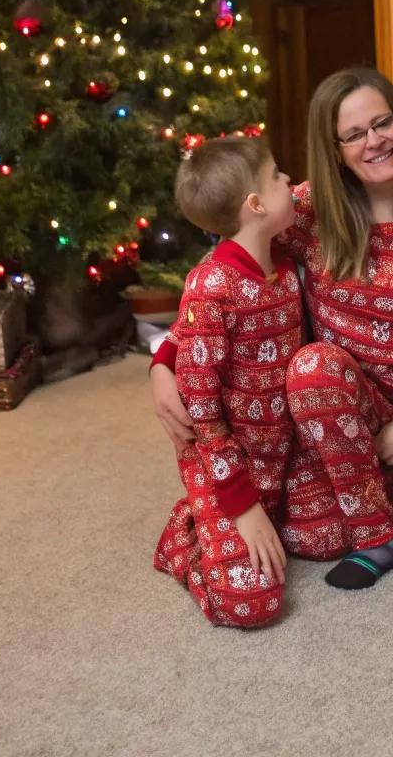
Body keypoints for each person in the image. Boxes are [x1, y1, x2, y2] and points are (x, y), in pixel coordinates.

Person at [152, 66, 393, 593]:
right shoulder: (305, 211)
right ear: (335, 149)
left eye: (383, 123)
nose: (374, 141)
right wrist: (164, 359)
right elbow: (224, 280)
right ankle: (377, 529)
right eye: (354, 134)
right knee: (305, 529)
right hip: (343, 425)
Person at [152, 136, 301, 629]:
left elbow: (314, 190)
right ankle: (186, 539)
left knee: (324, 542)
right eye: (279, 176)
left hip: (280, 450)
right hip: (223, 463)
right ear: (256, 205)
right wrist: (239, 506)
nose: (291, 184)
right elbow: (201, 413)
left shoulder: (283, 262)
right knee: (252, 602)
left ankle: (237, 523)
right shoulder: (211, 287)